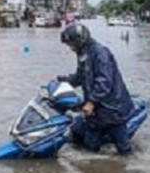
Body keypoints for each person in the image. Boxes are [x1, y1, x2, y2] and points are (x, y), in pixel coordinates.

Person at [57, 23, 135, 155]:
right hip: (95, 113)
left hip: (112, 109)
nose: (70, 48)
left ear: (79, 40)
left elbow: (104, 81)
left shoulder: (100, 53)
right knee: (89, 151)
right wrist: (62, 82)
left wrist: (91, 102)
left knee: (124, 149)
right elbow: (80, 76)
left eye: (71, 44)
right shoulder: (83, 53)